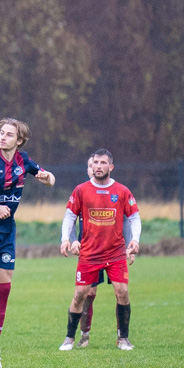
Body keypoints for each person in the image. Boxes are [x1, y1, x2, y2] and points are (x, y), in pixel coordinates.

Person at [0, 118, 55, 368]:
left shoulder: (23, 160)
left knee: (4, 288)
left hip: (5, 234)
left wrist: (48, 178)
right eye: (1, 133)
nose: (3, 137)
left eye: (9, 134)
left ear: (19, 140)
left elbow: (46, 177)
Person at [59, 149, 141, 351]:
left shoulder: (122, 191)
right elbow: (70, 215)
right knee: (80, 295)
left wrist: (135, 241)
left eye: (103, 163)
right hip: (89, 254)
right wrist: (65, 239)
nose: (98, 166)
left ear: (110, 167)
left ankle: (123, 339)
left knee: (122, 292)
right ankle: (70, 338)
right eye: (95, 162)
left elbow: (134, 217)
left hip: (115, 253)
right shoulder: (81, 190)